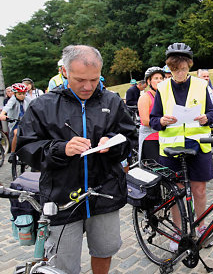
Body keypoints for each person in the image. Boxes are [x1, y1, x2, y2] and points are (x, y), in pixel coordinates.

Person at [16, 45, 136, 274]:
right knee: (63, 263)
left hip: (105, 191)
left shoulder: (112, 101)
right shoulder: (42, 105)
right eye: (80, 79)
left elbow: (129, 138)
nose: (88, 86)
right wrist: (61, 149)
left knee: (104, 250)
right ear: (64, 71)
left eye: (94, 79)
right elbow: (26, 148)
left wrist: (111, 144)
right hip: (61, 196)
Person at [149, 42, 213, 251]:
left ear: (189, 66)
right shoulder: (162, 88)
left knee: (200, 189)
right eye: (175, 69)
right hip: (171, 148)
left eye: (184, 68)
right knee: (176, 192)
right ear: (169, 68)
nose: (180, 73)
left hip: (198, 146)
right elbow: (152, 120)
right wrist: (161, 122)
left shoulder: (201, 85)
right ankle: (178, 231)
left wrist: (206, 118)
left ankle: (201, 226)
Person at [137, 66, 164, 161]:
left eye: (161, 78)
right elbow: (145, 121)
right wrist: (162, 123)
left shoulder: (163, 97)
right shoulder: (145, 97)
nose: (159, 81)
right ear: (149, 82)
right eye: (156, 78)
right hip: (150, 138)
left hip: (163, 137)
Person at [0, 83, 31, 160]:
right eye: (19, 94)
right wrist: (2, 115)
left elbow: (35, 105)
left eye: (24, 94)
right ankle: (13, 153)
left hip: (26, 122)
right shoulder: (13, 100)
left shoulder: (27, 99)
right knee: (16, 133)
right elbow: (7, 107)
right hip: (15, 122)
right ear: (14, 94)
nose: (22, 96)